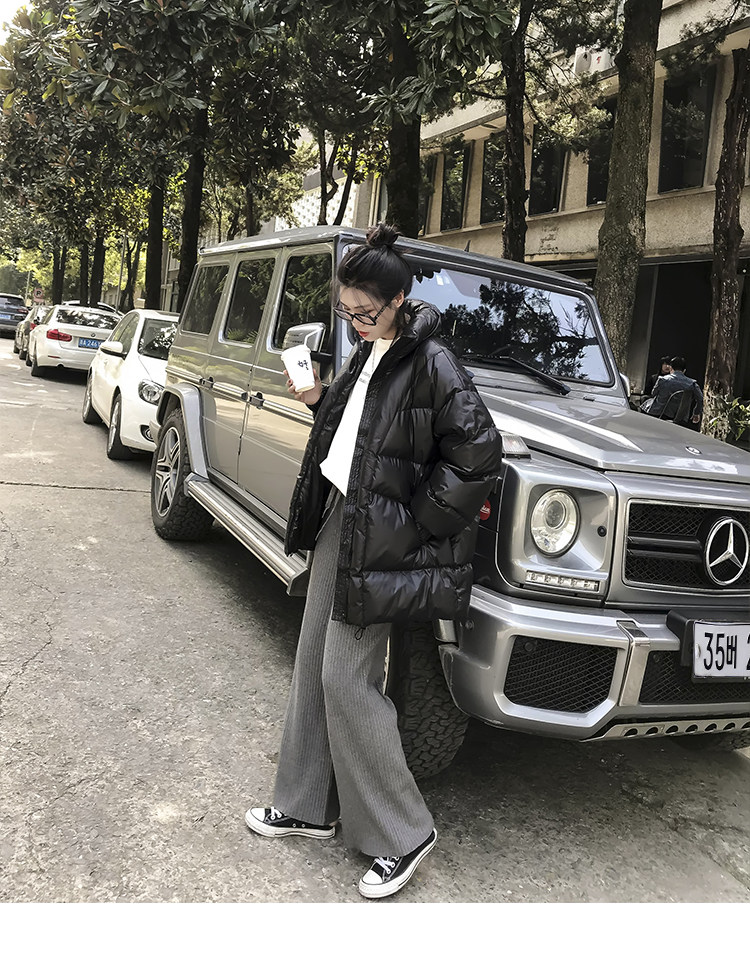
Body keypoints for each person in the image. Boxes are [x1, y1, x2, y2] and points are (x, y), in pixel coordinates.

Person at [245, 223, 502, 899]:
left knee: (346, 677)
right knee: (313, 660)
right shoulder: (371, 349)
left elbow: (479, 454)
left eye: (365, 311)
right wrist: (317, 400)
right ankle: (306, 804)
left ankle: (403, 832)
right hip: (342, 519)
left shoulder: (432, 361)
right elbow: (362, 434)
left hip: (382, 540)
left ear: (397, 300)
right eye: (346, 310)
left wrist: (417, 525)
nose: (355, 321)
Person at [646, 355, 703, 426]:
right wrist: (696, 412)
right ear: (684, 370)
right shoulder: (692, 384)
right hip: (680, 417)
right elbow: (700, 398)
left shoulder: (662, 379)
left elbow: (653, 393)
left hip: (659, 414)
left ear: (670, 368)